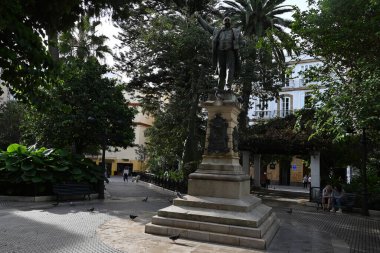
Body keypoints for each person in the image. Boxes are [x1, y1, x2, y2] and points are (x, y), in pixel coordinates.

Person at [195, 12, 244, 91]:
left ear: (230, 23)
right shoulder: (217, 31)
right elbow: (207, 27)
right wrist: (199, 18)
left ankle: (228, 86)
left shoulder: (235, 31)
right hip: (220, 52)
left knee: (229, 69)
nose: (227, 21)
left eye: (228, 20)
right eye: (226, 20)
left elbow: (241, 40)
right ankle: (220, 87)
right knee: (221, 70)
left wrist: (242, 43)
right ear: (223, 22)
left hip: (230, 52)